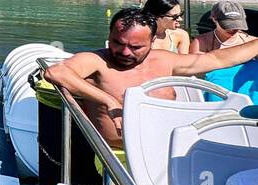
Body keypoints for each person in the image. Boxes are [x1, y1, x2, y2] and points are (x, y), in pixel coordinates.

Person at [44, 8, 258, 151]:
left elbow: (218, 59)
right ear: (109, 36)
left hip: (168, 147)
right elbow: (56, 72)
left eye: (136, 47)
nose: (125, 52)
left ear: (153, 40)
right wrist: (108, 100)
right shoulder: (96, 61)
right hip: (120, 154)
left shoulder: (165, 60)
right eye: (118, 43)